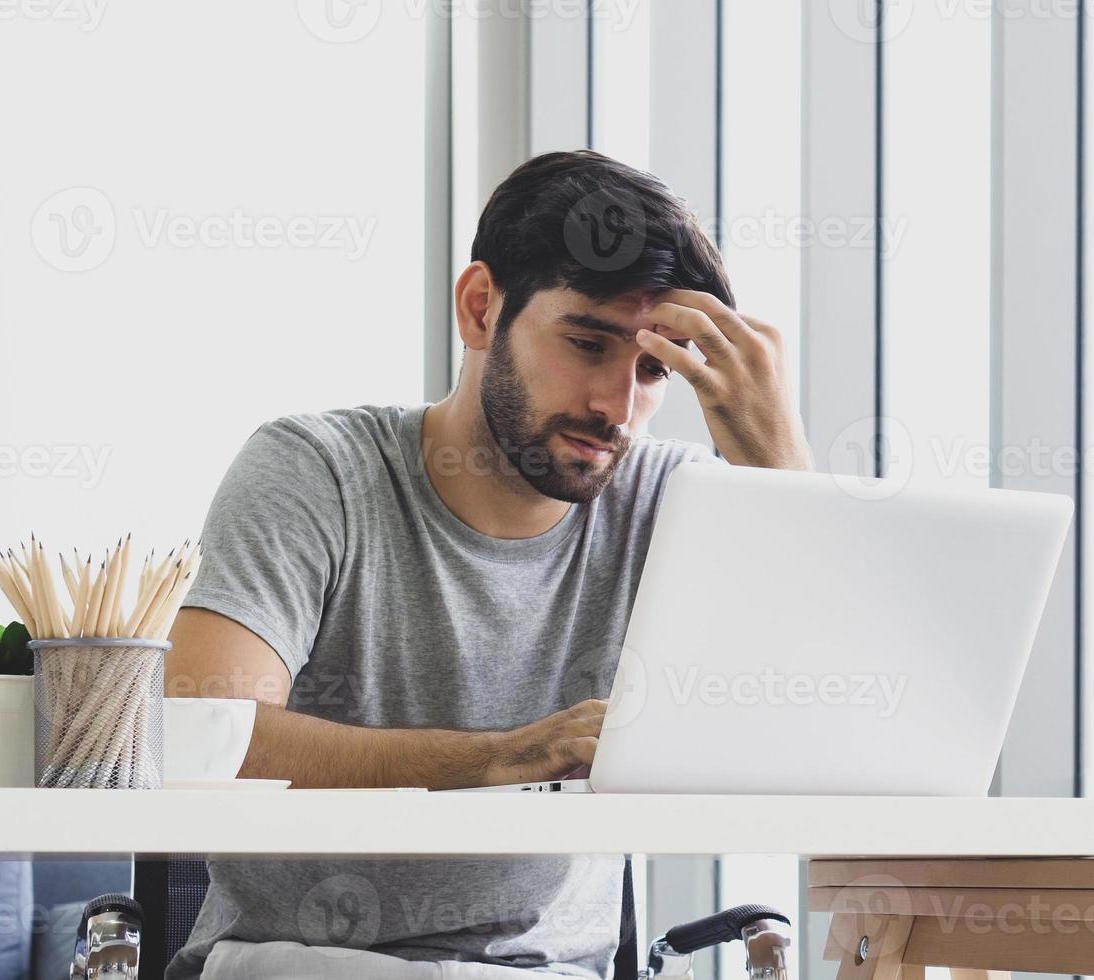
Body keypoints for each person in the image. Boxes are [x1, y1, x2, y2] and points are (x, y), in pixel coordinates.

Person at [163, 149, 813, 979]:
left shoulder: (672, 500)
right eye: (587, 343)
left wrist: (778, 454)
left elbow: (833, 723)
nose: (618, 406)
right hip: (303, 964)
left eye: (653, 370)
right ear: (480, 308)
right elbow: (208, 736)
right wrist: (504, 757)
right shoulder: (316, 469)